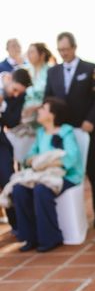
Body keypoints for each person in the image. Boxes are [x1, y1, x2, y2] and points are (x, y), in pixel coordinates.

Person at [44, 32, 95, 228]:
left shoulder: (91, 68)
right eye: (60, 50)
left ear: (74, 47)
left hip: (87, 130)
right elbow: (48, 99)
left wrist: (90, 120)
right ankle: (68, 219)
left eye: (66, 49)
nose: (63, 53)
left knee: (93, 171)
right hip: (63, 134)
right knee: (64, 171)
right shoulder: (52, 72)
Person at [13, 97, 83, 252]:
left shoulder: (66, 131)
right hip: (43, 176)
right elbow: (29, 158)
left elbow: (70, 158)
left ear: (52, 114)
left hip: (66, 177)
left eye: (43, 108)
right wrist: (37, 162)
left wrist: (43, 163)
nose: (39, 110)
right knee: (19, 189)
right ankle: (30, 237)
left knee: (41, 190)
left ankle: (51, 238)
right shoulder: (40, 133)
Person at [0, 69, 32, 231]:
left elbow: (10, 121)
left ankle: (19, 225)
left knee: (8, 182)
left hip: (2, 146)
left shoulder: (13, 96)